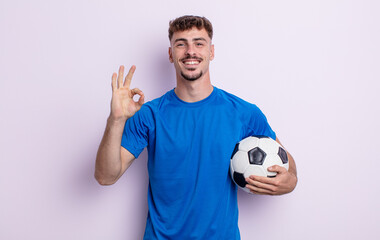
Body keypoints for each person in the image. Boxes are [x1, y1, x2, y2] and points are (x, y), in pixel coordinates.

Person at [95, 15, 297, 240]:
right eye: (181, 44)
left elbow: (288, 165)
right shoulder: (149, 114)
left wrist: (290, 181)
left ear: (211, 52)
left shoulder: (244, 113)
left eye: (199, 43)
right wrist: (115, 120)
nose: (190, 51)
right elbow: (106, 176)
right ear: (171, 55)